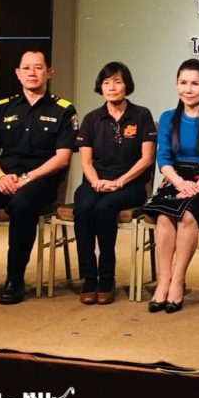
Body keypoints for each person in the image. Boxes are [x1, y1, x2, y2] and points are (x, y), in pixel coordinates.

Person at [0, 50, 77, 305]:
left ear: (49, 72)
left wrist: (27, 178)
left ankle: (14, 280)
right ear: (18, 74)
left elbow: (62, 158)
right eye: (26, 68)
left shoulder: (63, 110)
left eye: (38, 67)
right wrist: (0, 177)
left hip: (40, 181)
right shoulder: (2, 107)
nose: (32, 73)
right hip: (3, 177)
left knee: (22, 206)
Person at [144, 59, 199, 313]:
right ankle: (163, 281)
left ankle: (178, 280)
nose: (188, 89)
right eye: (183, 83)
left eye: (195, 83)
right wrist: (179, 182)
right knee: (164, 216)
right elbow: (163, 158)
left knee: (186, 216)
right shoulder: (168, 118)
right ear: (176, 85)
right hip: (177, 177)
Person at [73, 62, 156, 305]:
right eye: (106, 83)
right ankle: (89, 277)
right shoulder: (91, 119)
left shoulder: (142, 115)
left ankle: (107, 277)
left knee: (103, 208)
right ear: (100, 87)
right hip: (96, 181)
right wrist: (97, 181)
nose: (112, 87)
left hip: (131, 184)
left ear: (126, 85)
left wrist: (120, 181)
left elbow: (147, 159)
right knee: (83, 207)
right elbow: (86, 161)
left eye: (117, 82)